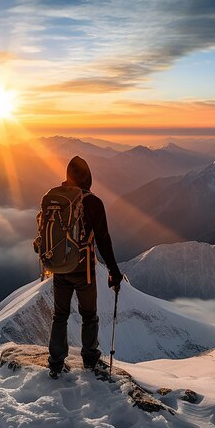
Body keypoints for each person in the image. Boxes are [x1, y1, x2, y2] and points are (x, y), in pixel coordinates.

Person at [47, 155, 123, 378]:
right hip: (83, 270)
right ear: (88, 178)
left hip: (59, 267)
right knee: (89, 315)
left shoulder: (55, 198)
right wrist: (114, 272)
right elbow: (103, 240)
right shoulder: (93, 203)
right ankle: (90, 361)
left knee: (59, 315)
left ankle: (56, 364)